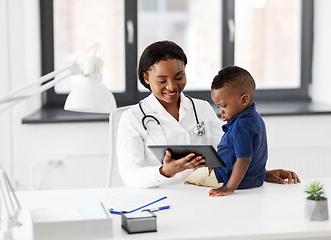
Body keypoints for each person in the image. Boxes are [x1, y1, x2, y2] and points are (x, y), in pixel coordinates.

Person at [117, 40, 300, 189]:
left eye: (179, 77)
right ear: (146, 78)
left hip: (204, 195)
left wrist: (260, 174)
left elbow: (228, 156)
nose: (172, 86)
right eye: (162, 80)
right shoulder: (132, 118)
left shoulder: (202, 109)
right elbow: (130, 176)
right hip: (160, 198)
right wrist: (165, 171)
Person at [209, 66, 267, 197]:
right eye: (218, 106)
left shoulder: (241, 124)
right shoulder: (254, 117)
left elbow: (243, 160)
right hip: (254, 179)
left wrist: (228, 187)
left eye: (223, 106)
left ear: (244, 100)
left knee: (189, 173)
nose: (220, 111)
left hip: (227, 177)